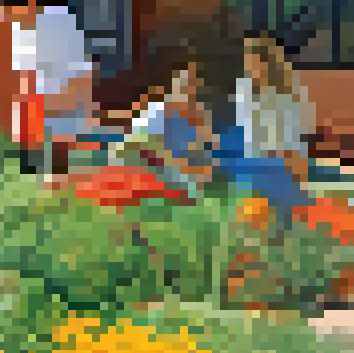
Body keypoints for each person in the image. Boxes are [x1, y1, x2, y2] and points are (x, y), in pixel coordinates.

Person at [2, 0, 95, 177]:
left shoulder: (61, 22)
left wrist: (64, 101)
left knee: (60, 160)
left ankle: (59, 182)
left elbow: (81, 72)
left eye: (14, 10)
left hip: (69, 96)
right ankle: (31, 175)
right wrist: (25, 107)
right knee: (31, 162)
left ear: (31, 2)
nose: (12, 17)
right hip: (41, 100)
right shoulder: (20, 26)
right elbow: (25, 73)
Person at [230, 35, 316, 228]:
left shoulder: (290, 92)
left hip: (283, 162)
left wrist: (296, 169)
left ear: (268, 62)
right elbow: (249, 134)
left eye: (254, 61)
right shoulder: (244, 89)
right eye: (247, 62)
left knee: (288, 222)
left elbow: (295, 135)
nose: (250, 68)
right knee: (257, 223)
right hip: (256, 163)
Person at [125, 62, 218, 194]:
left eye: (193, 87)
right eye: (183, 85)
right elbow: (135, 143)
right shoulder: (156, 111)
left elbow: (207, 149)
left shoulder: (200, 115)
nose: (188, 91)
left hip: (185, 173)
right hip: (160, 169)